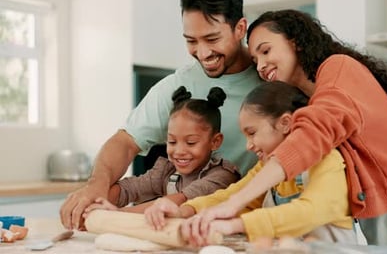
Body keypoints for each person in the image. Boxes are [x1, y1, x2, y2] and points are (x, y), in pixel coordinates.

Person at [191, 9, 387, 252]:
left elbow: (312, 135)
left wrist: (233, 205)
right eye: (255, 58)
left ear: (295, 42)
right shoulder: (312, 99)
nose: (261, 65)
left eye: (266, 51)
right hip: (381, 223)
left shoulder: (338, 67)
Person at [60, 0, 262, 230]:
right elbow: (125, 142)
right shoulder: (179, 84)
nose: (203, 53)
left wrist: (116, 217)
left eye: (212, 39)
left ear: (240, 28)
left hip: (251, 221)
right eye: (191, 41)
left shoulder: (270, 75)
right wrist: (96, 187)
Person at [145, 81, 358, 247]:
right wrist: (184, 211)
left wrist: (234, 225)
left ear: (285, 123)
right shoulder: (266, 167)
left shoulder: (328, 161)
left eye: (252, 133)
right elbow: (232, 196)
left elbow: (307, 213)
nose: (248, 145)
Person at [82, 86, 240, 215]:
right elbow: (128, 189)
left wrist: (115, 214)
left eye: (190, 143)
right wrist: (93, 203)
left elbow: (180, 201)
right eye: (172, 141)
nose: (179, 151)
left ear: (215, 141)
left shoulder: (222, 176)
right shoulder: (167, 171)